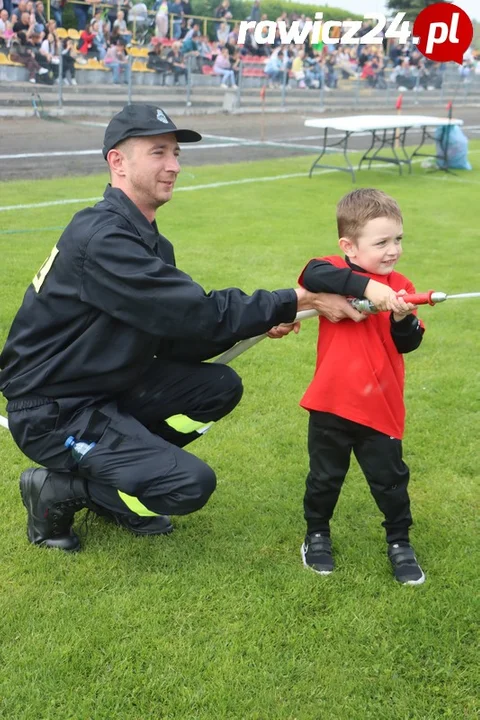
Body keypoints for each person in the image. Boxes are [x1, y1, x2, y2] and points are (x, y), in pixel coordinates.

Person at [0, 104, 363, 553]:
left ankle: (115, 469)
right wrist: (295, 299)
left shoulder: (146, 239)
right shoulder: (103, 240)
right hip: (54, 411)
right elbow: (197, 313)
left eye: (176, 154)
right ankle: (59, 489)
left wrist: (261, 321)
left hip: (105, 387)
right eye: (158, 152)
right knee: (188, 485)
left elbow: (178, 334)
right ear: (118, 162)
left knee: (218, 386)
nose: (173, 166)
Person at [297, 188, 426, 586]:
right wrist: (369, 289)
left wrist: (402, 317)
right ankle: (317, 534)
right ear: (349, 247)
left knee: (390, 481)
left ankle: (399, 541)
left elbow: (409, 343)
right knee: (324, 479)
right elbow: (312, 273)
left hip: (380, 409)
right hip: (331, 404)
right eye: (382, 242)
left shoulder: (401, 284)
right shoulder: (334, 271)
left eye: (398, 239)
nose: (393, 250)